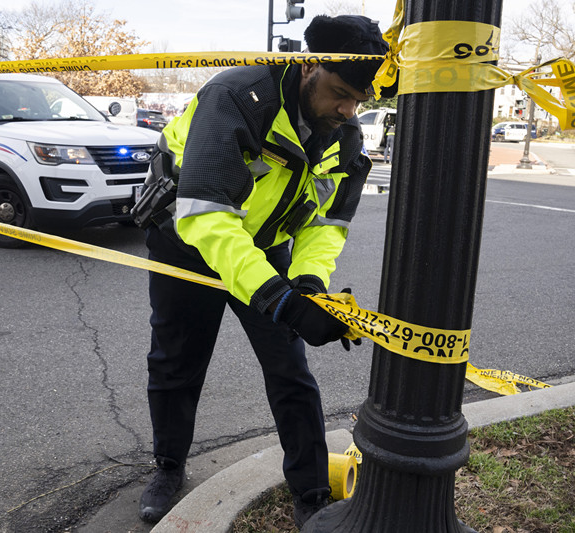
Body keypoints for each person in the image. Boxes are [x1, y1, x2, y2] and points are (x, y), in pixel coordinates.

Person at [132, 14, 395, 529]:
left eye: (358, 101)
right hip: (187, 242)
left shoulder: (343, 131)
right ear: (306, 67)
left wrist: (309, 285)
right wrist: (279, 299)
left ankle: (313, 491)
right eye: (339, 92)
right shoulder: (236, 97)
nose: (347, 110)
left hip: (267, 249)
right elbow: (205, 215)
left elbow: (327, 222)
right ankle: (168, 467)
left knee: (290, 370)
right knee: (175, 361)